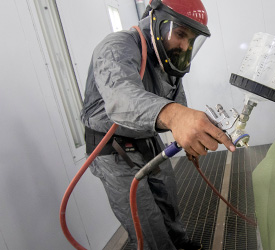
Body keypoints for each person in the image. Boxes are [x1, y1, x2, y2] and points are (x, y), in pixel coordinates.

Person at [80, 0, 235, 249]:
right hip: (112, 146)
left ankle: (180, 243)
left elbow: (176, 99)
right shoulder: (116, 47)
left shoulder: (167, 56)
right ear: (156, 21)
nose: (185, 45)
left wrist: (186, 133)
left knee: (167, 197)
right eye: (181, 33)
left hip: (146, 137)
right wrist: (175, 118)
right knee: (145, 219)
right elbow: (122, 99)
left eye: (191, 38)